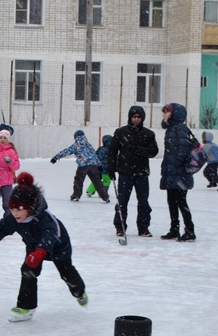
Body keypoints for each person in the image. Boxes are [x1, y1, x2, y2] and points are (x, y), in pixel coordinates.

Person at [0, 172, 88, 322]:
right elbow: (1, 228)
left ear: (29, 208)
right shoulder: (13, 218)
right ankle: (26, 307)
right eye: (12, 209)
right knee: (28, 271)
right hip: (33, 246)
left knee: (66, 273)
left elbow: (50, 235)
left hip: (58, 246)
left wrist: (41, 251)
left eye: (19, 209)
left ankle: (79, 291)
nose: (15, 213)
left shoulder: (44, 218)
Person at [107, 106, 159, 238]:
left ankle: (143, 227)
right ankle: (120, 226)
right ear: (130, 118)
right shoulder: (121, 133)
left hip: (141, 173)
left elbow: (154, 151)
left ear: (142, 118)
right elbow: (112, 151)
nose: (136, 119)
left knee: (143, 201)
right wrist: (111, 168)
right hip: (125, 172)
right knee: (122, 201)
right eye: (134, 117)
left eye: (139, 117)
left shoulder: (148, 134)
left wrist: (140, 149)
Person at [159, 103, 196, 241]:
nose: (164, 114)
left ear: (174, 114)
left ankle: (190, 230)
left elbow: (184, 150)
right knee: (172, 201)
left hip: (180, 173)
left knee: (181, 201)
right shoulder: (171, 128)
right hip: (172, 171)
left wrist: (175, 164)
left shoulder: (180, 129)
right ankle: (174, 229)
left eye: (166, 112)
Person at [51, 130, 109, 203]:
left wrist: (56, 157)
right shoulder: (88, 144)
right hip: (93, 165)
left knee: (79, 180)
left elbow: (66, 151)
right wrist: (99, 165)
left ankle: (76, 195)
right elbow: (94, 154)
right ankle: (105, 196)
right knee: (97, 181)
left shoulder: (76, 145)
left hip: (83, 166)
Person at [0, 129, 20, 229]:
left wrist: (10, 162)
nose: (2, 139)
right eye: (1, 137)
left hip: (7, 180)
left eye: (5, 138)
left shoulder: (11, 151)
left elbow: (16, 166)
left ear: (8, 139)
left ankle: (8, 219)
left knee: (7, 202)